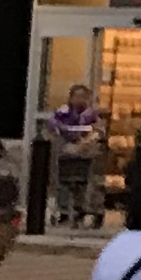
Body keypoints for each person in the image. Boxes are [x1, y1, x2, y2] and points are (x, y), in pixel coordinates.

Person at [44, 84, 102, 228]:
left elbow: (98, 130)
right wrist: (61, 129)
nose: (80, 100)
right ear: (71, 98)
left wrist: (88, 139)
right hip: (65, 151)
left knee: (83, 183)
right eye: (77, 96)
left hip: (84, 152)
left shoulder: (91, 115)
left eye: (83, 96)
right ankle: (63, 210)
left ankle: (81, 209)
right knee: (63, 182)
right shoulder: (64, 112)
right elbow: (53, 122)